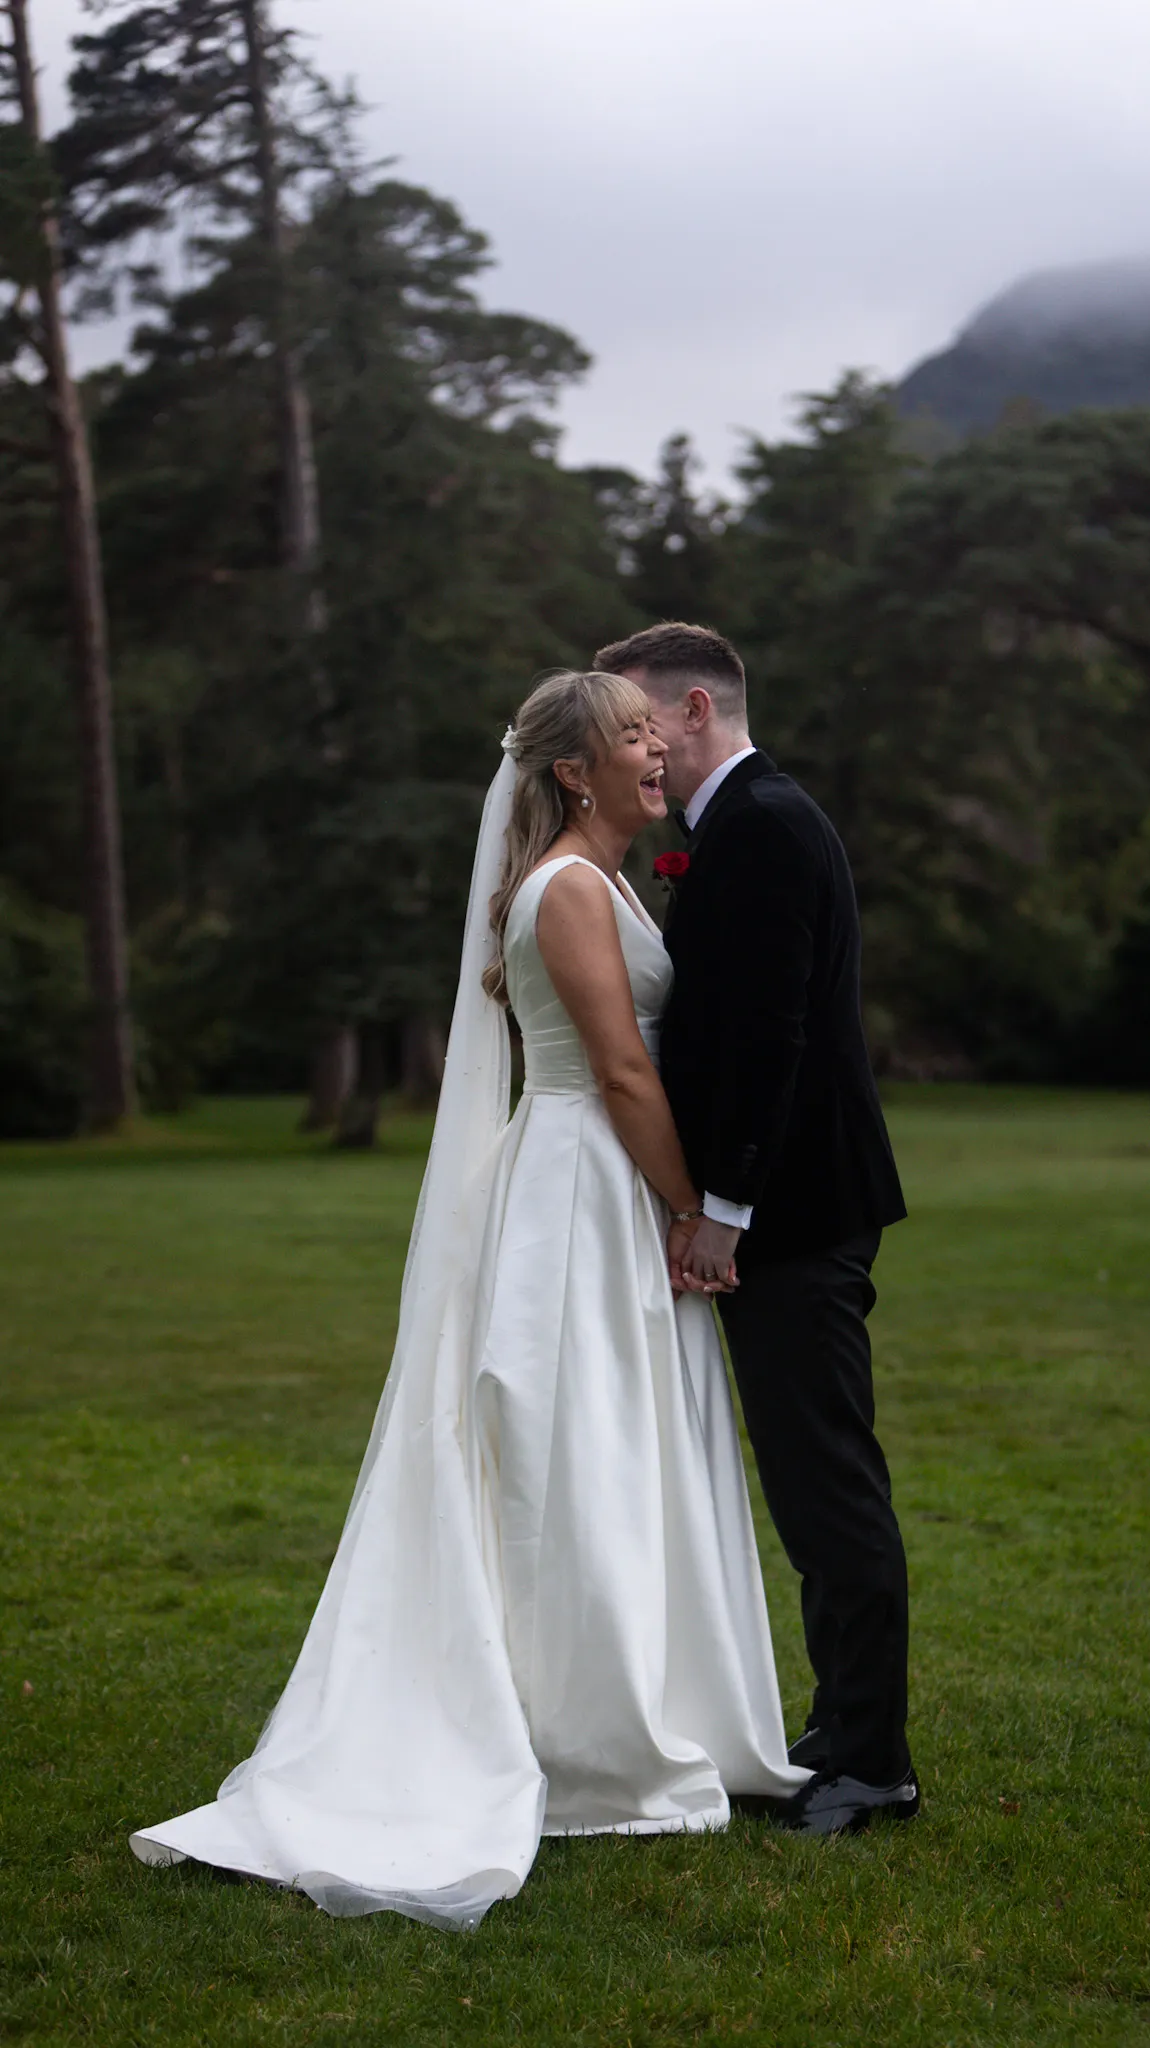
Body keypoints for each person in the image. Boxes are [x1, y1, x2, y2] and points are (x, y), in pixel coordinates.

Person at [130, 670, 805, 1930]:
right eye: (632, 737)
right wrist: (691, 1212)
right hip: (582, 1185)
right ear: (572, 771)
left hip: (599, 1180)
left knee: (620, 1441)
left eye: (656, 732)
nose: (656, 752)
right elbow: (619, 1070)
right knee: (578, 1447)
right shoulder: (568, 890)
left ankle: (650, 1706)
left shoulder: (604, 880)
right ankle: (590, 1738)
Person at [595, 622, 919, 1837]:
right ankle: (839, 1727)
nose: (636, 747)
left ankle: (874, 1760)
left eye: (642, 722)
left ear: (696, 709)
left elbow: (772, 1034)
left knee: (829, 1481)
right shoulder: (741, 822)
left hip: (796, 1211)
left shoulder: (767, 825)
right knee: (805, 1478)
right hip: (784, 1205)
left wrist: (723, 1211)